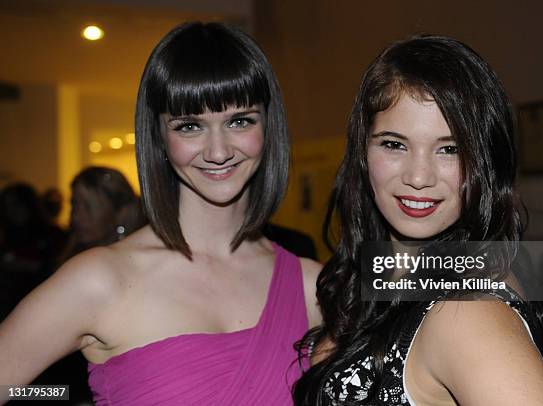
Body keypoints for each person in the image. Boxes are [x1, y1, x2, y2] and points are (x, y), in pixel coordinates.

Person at [0, 22, 320, 405]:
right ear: (160, 138)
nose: (218, 151)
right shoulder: (101, 280)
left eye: (239, 121)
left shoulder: (310, 286)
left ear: (268, 126)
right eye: (189, 126)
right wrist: (64, 399)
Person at [293, 35, 543, 405]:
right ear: (362, 150)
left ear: (486, 162)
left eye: (449, 149)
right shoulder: (372, 278)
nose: (419, 177)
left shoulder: (468, 313)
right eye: (394, 144)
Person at [60, 166, 146, 262]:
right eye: (75, 205)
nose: (76, 217)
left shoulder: (135, 260)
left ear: (122, 213)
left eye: (89, 207)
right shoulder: (66, 255)